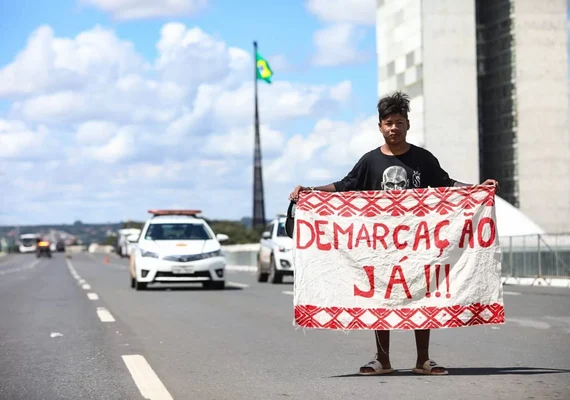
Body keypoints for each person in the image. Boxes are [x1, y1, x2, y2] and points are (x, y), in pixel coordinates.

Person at [288, 91, 499, 376]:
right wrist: (310, 191)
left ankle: (423, 359)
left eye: (399, 122)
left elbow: (447, 184)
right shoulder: (370, 161)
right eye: (388, 122)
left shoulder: (423, 159)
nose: (394, 128)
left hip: (420, 245)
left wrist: (477, 189)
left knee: (422, 294)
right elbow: (344, 186)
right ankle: (382, 360)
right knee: (379, 297)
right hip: (379, 248)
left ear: (407, 125)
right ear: (380, 126)